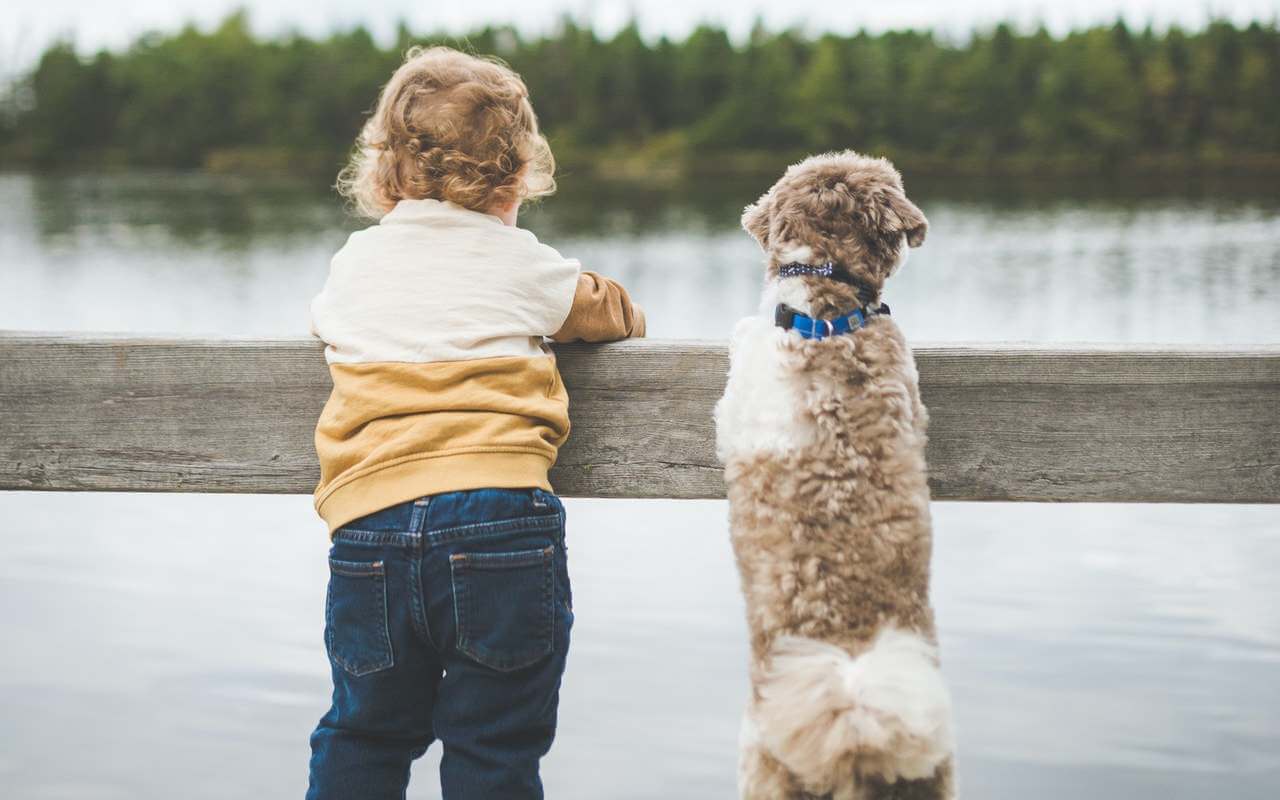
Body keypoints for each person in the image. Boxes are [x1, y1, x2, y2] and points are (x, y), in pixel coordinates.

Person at [305, 45, 645, 800]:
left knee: (365, 731)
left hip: (370, 528)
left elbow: (324, 322)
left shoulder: (354, 264)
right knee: (494, 747)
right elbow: (612, 315)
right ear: (519, 173)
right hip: (500, 523)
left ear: (385, 170)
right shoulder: (523, 262)